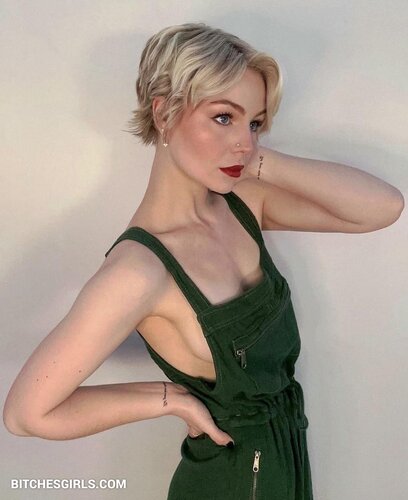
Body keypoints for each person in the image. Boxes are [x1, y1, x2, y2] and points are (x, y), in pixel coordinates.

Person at [3, 22, 404, 500]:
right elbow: (26, 414)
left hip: (285, 467)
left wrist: (256, 159)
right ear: (164, 113)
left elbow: (382, 209)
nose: (244, 140)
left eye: (254, 123)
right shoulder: (139, 271)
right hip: (230, 482)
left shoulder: (243, 204)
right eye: (223, 117)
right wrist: (169, 399)